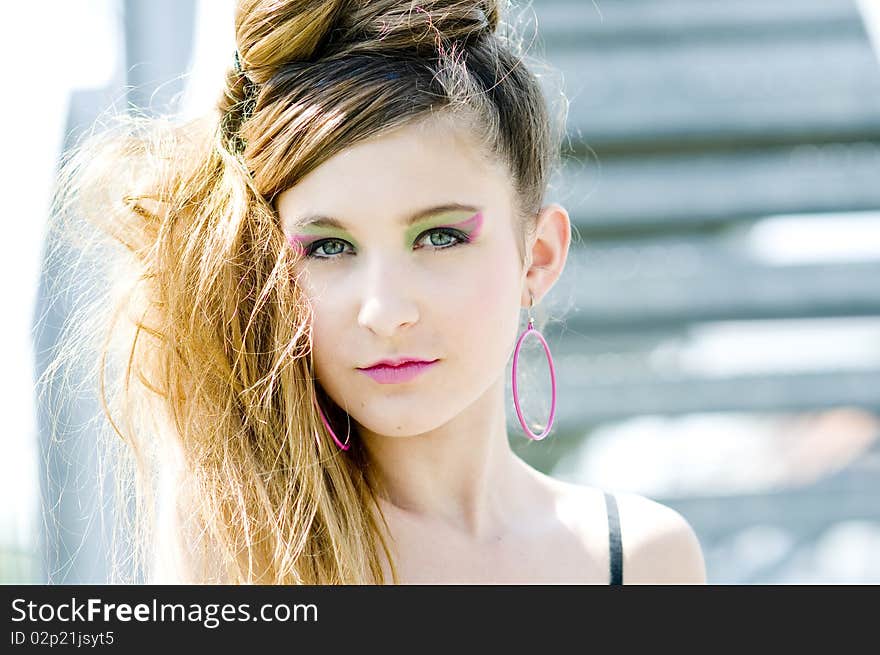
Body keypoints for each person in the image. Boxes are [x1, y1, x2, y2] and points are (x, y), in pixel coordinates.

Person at [48, 0, 706, 584]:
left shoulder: (644, 560)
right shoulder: (249, 540)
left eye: (439, 237)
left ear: (537, 256)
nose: (385, 311)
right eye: (329, 247)